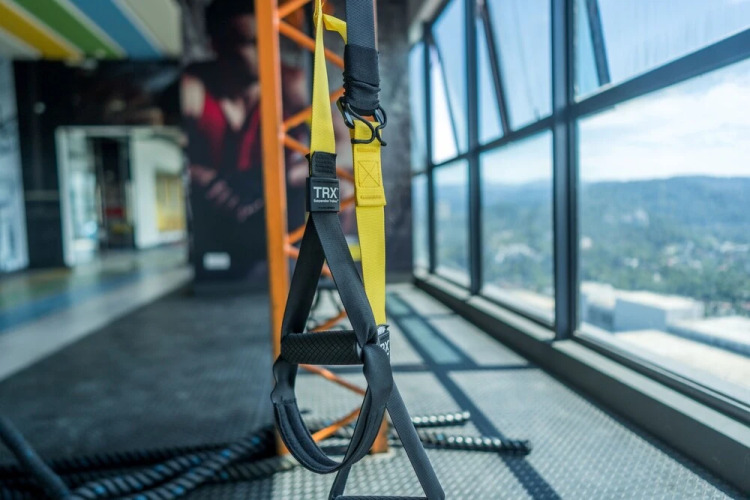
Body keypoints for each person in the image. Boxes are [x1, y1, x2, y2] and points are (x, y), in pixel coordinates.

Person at [181, 0, 316, 281]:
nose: (265, 51)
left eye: (268, 40)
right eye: (250, 42)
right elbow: (172, 153)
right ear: (218, 45)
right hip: (222, 212)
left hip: (282, 209)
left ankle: (318, 268)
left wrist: (280, 178)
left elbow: (341, 149)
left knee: (334, 191)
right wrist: (206, 178)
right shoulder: (195, 85)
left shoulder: (291, 83)